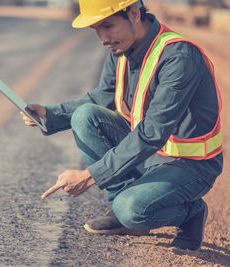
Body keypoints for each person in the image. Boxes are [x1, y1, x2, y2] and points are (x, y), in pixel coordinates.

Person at [21, 0, 223, 251]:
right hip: (153, 155)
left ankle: (190, 212)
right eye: (96, 29)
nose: (102, 37)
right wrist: (50, 115)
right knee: (85, 116)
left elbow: (152, 133)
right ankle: (122, 212)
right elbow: (99, 99)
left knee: (132, 210)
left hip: (190, 165)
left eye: (107, 25)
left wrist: (89, 176)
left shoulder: (179, 57)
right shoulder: (121, 50)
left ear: (134, 14)